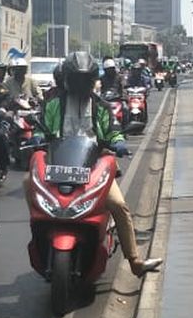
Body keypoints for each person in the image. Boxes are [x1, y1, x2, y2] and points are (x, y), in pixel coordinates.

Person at [35, 52, 163, 278]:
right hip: (58, 168)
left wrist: (119, 142)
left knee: (119, 205)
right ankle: (38, 242)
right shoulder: (54, 104)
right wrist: (36, 137)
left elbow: (113, 131)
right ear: (67, 79)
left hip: (93, 169)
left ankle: (135, 261)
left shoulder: (102, 107)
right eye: (76, 79)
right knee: (29, 186)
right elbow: (41, 127)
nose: (80, 84)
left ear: (92, 80)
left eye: (85, 80)